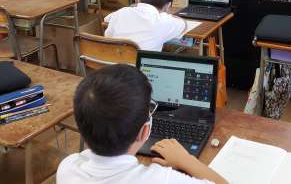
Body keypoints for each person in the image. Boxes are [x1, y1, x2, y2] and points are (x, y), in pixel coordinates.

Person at [57, 64, 227, 184]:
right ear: (145, 131)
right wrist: (185, 160)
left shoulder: (68, 167)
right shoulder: (161, 179)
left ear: (80, 128)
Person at [104, 0, 186, 51]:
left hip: (113, 59)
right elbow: (184, 25)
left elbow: (106, 19)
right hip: (143, 62)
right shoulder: (164, 21)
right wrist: (168, 15)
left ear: (138, 0)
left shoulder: (122, 12)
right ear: (168, 5)